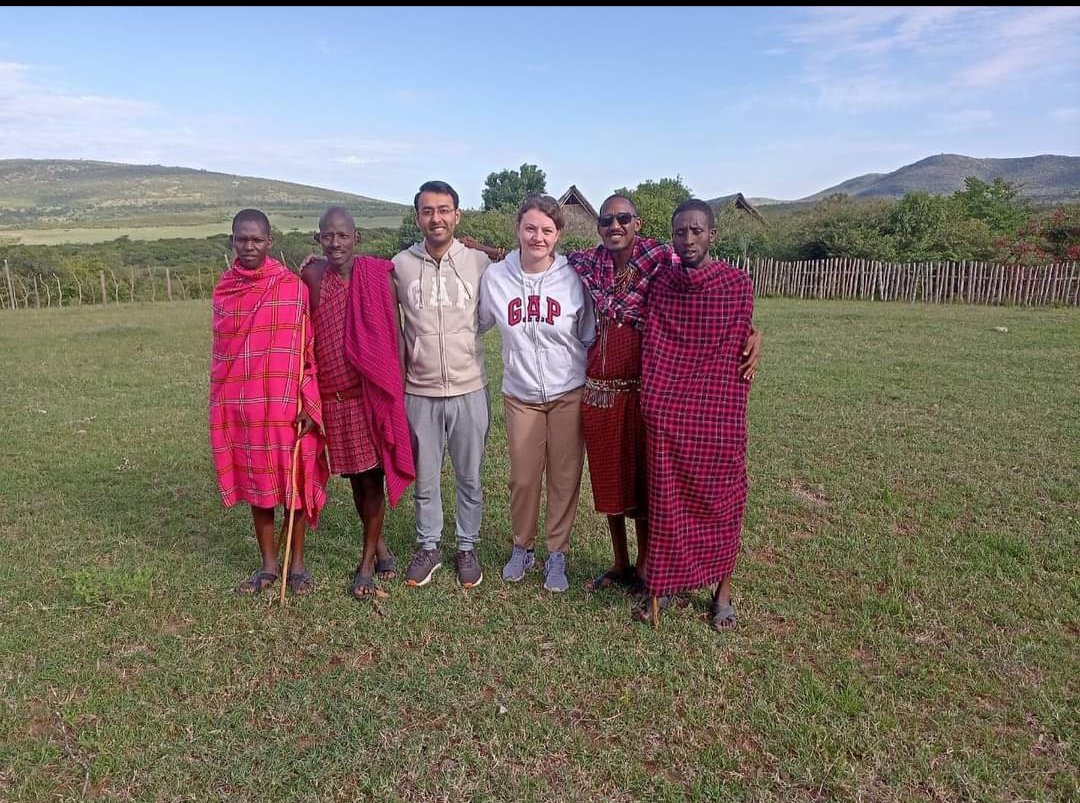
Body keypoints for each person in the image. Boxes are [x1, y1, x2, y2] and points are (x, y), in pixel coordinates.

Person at [569, 195, 761, 597]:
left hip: (646, 389)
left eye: (623, 218)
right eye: (607, 220)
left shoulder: (660, 261)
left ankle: (645, 566)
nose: (614, 225)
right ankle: (621, 562)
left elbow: (703, 285)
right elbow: (543, 253)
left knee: (645, 485)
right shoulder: (588, 264)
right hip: (601, 390)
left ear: (637, 223)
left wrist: (751, 334)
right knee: (610, 483)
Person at [630, 199, 753, 630]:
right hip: (669, 412)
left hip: (718, 412)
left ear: (712, 235)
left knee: (724, 499)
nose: (688, 240)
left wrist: (758, 339)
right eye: (680, 232)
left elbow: (741, 341)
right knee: (665, 502)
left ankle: (722, 593)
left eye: (696, 231)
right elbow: (657, 345)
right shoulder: (662, 283)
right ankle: (658, 587)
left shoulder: (736, 284)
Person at [477, 195, 595, 592]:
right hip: (521, 393)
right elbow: (474, 322)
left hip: (568, 391)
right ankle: (521, 547)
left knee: (564, 477)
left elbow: (589, 332)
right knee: (524, 478)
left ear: (558, 234)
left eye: (547, 230)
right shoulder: (496, 278)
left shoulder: (573, 278)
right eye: (530, 228)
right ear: (518, 230)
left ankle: (556, 553)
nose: (538, 237)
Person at [209, 209, 329, 594]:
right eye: (242, 239)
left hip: (286, 409)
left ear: (269, 242)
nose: (249, 246)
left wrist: (309, 406)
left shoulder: (291, 288)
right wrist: (225, 405)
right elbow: (223, 354)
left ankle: (297, 567)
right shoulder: (225, 291)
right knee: (257, 489)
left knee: (293, 487)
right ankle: (267, 566)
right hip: (244, 409)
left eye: (256, 240)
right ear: (232, 241)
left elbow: (307, 351)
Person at [299, 207, 415, 601]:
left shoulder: (378, 276)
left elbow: (396, 337)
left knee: (373, 480)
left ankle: (365, 564)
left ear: (356, 237)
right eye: (327, 236)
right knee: (353, 478)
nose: (335, 244)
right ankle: (379, 546)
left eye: (342, 236)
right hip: (333, 399)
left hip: (371, 395)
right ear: (318, 240)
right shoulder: (312, 276)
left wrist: (394, 389)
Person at [392, 181, 490, 589]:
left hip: (469, 388)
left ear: (457, 215)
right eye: (428, 211)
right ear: (418, 217)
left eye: (444, 209)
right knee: (426, 477)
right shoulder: (399, 265)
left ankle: (466, 546)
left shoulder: (480, 262)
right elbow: (357, 279)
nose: (437, 218)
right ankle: (428, 546)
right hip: (421, 390)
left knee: (469, 476)